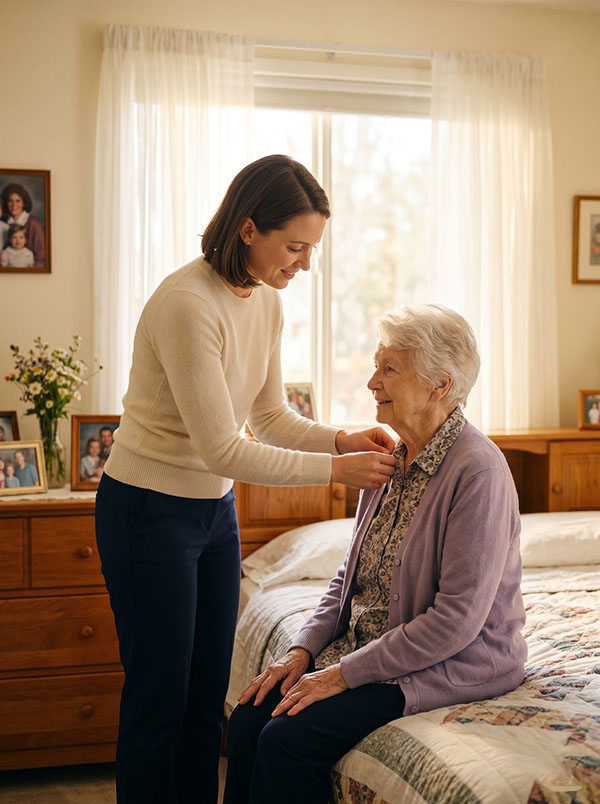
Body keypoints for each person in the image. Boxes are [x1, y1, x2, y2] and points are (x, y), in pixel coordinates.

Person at [95, 155, 397, 804]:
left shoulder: (263, 303)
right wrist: (337, 469)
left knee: (209, 696)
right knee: (160, 699)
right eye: (295, 247)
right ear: (248, 230)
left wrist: (342, 438)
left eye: (312, 249)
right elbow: (224, 448)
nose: (304, 265)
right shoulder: (186, 303)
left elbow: (269, 417)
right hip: (149, 510)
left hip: (212, 516)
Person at [225, 304, 527, 804]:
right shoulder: (387, 459)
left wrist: (341, 675)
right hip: (374, 650)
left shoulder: (478, 472)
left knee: (285, 742)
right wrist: (302, 651)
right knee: (248, 719)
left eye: (389, 369)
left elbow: (454, 621)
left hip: (446, 662)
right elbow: (349, 579)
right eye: (375, 365)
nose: (371, 382)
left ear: (440, 385)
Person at [1, 183, 45, 266]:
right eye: (10, 201)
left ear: (24, 203)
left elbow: (41, 255)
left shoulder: (34, 223)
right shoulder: (4, 223)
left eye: (18, 201)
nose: (14, 205)